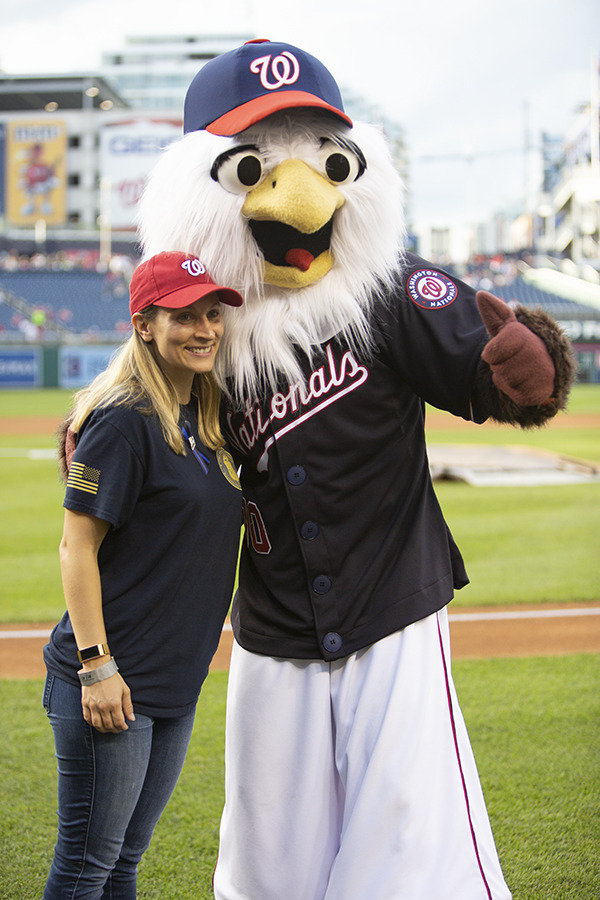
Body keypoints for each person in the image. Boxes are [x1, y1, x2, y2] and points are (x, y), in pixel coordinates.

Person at [136, 40, 575, 900]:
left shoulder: (387, 288)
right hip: (273, 631)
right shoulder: (201, 327)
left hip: (393, 612)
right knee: (268, 864)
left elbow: (486, 369)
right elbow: (145, 411)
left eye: (323, 158)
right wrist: (108, 427)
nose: (296, 194)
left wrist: (527, 365)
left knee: (416, 848)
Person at [42, 250, 244, 899]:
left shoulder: (204, 420)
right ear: (144, 325)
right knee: (87, 868)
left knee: (125, 860)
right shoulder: (122, 422)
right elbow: (76, 547)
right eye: (184, 315)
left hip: (171, 681)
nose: (205, 328)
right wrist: (96, 665)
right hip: (113, 679)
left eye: (212, 314)